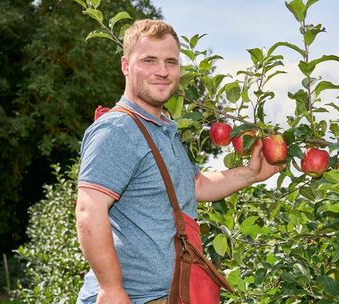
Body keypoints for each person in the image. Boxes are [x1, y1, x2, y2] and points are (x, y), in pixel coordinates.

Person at [75, 19, 283, 304]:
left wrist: (250, 173)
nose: (162, 71)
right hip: (135, 298)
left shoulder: (163, 128)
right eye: (149, 60)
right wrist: (111, 289)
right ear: (126, 65)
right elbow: (89, 209)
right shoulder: (118, 130)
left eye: (170, 62)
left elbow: (195, 185)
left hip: (173, 294)